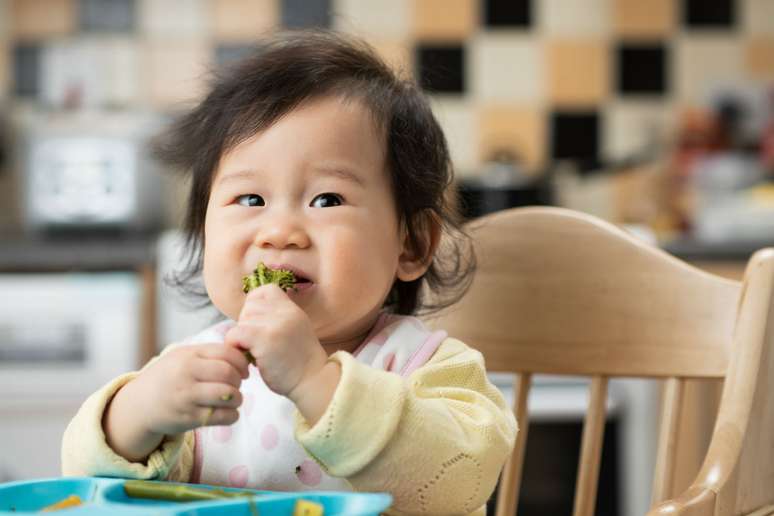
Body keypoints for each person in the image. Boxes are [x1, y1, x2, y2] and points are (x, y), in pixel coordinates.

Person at [61, 29, 517, 515]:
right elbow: (88, 486)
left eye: (327, 199)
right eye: (250, 199)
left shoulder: (429, 367)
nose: (279, 232)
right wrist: (137, 416)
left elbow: (455, 484)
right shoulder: (199, 372)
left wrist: (313, 380)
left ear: (412, 243)